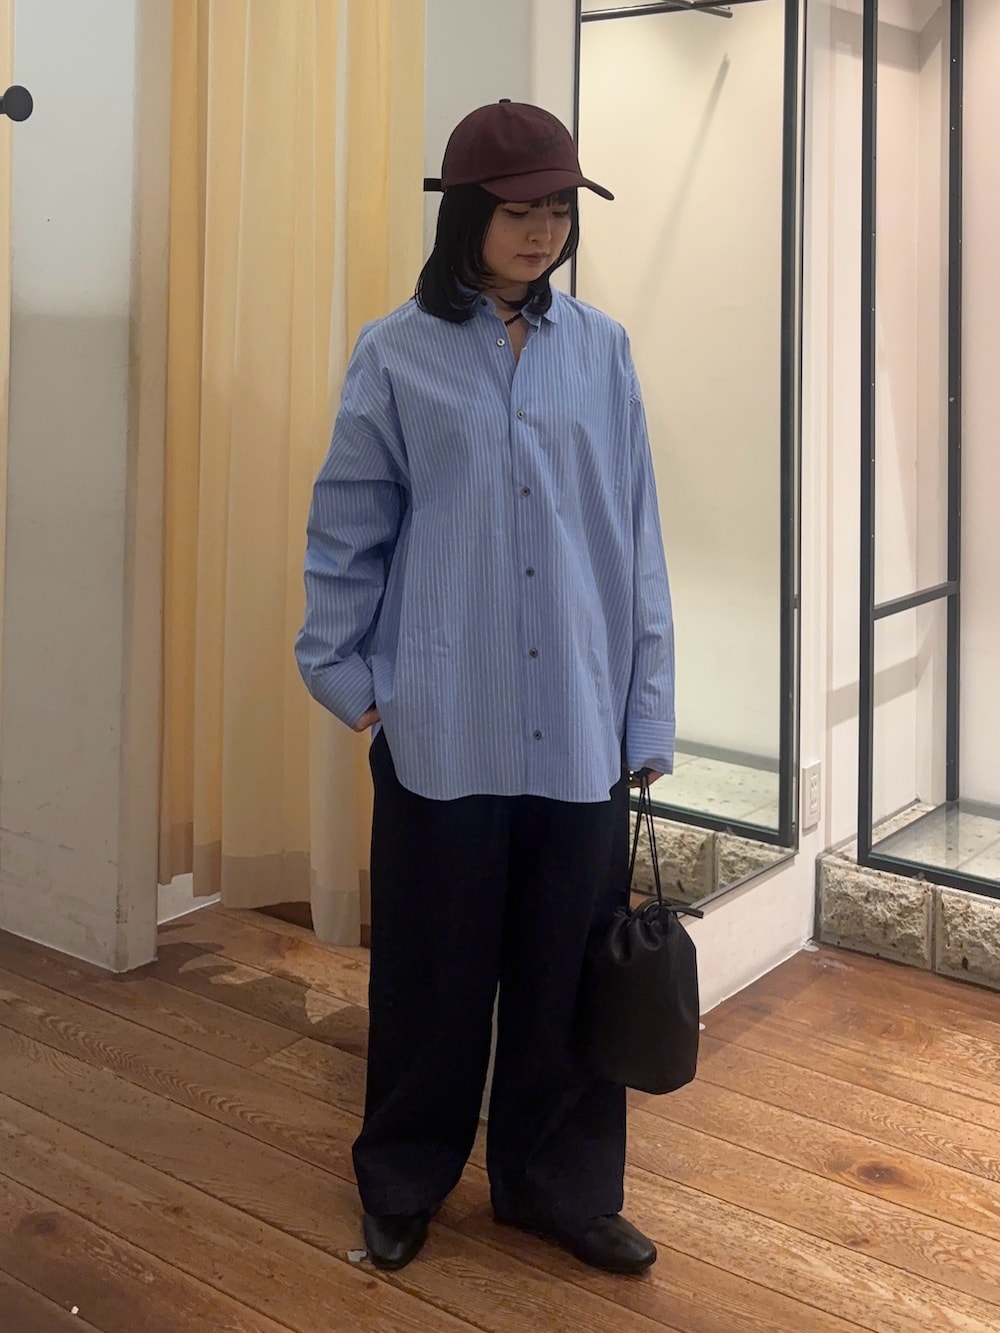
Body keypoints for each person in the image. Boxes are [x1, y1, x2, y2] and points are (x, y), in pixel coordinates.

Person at [296, 99, 675, 1275]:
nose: (541, 230)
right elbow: (348, 524)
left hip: (577, 720)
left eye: (556, 208)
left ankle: (556, 1188)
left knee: (569, 970)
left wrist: (645, 709)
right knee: (431, 974)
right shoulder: (394, 352)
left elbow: (634, 538)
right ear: (466, 214)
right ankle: (404, 1175)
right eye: (518, 211)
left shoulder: (601, 350)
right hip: (441, 722)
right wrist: (346, 673)